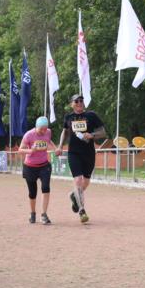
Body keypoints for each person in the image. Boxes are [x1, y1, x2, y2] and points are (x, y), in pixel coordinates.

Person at [56, 93, 106, 224]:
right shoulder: (69, 117)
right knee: (78, 180)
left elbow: (103, 132)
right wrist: (60, 146)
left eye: (81, 101)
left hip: (89, 153)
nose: (79, 103)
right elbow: (65, 131)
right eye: (76, 101)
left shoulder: (91, 115)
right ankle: (82, 210)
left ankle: (74, 196)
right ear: (71, 104)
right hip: (74, 153)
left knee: (86, 181)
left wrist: (92, 135)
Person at [20, 117, 56, 224]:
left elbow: (49, 140)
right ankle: (32, 213)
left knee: (45, 188)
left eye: (45, 129)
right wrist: (31, 150)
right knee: (32, 192)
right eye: (41, 129)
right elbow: (20, 150)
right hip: (30, 167)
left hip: (44, 165)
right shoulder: (29, 135)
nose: (43, 131)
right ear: (36, 127)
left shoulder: (48, 132)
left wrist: (55, 148)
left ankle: (44, 214)